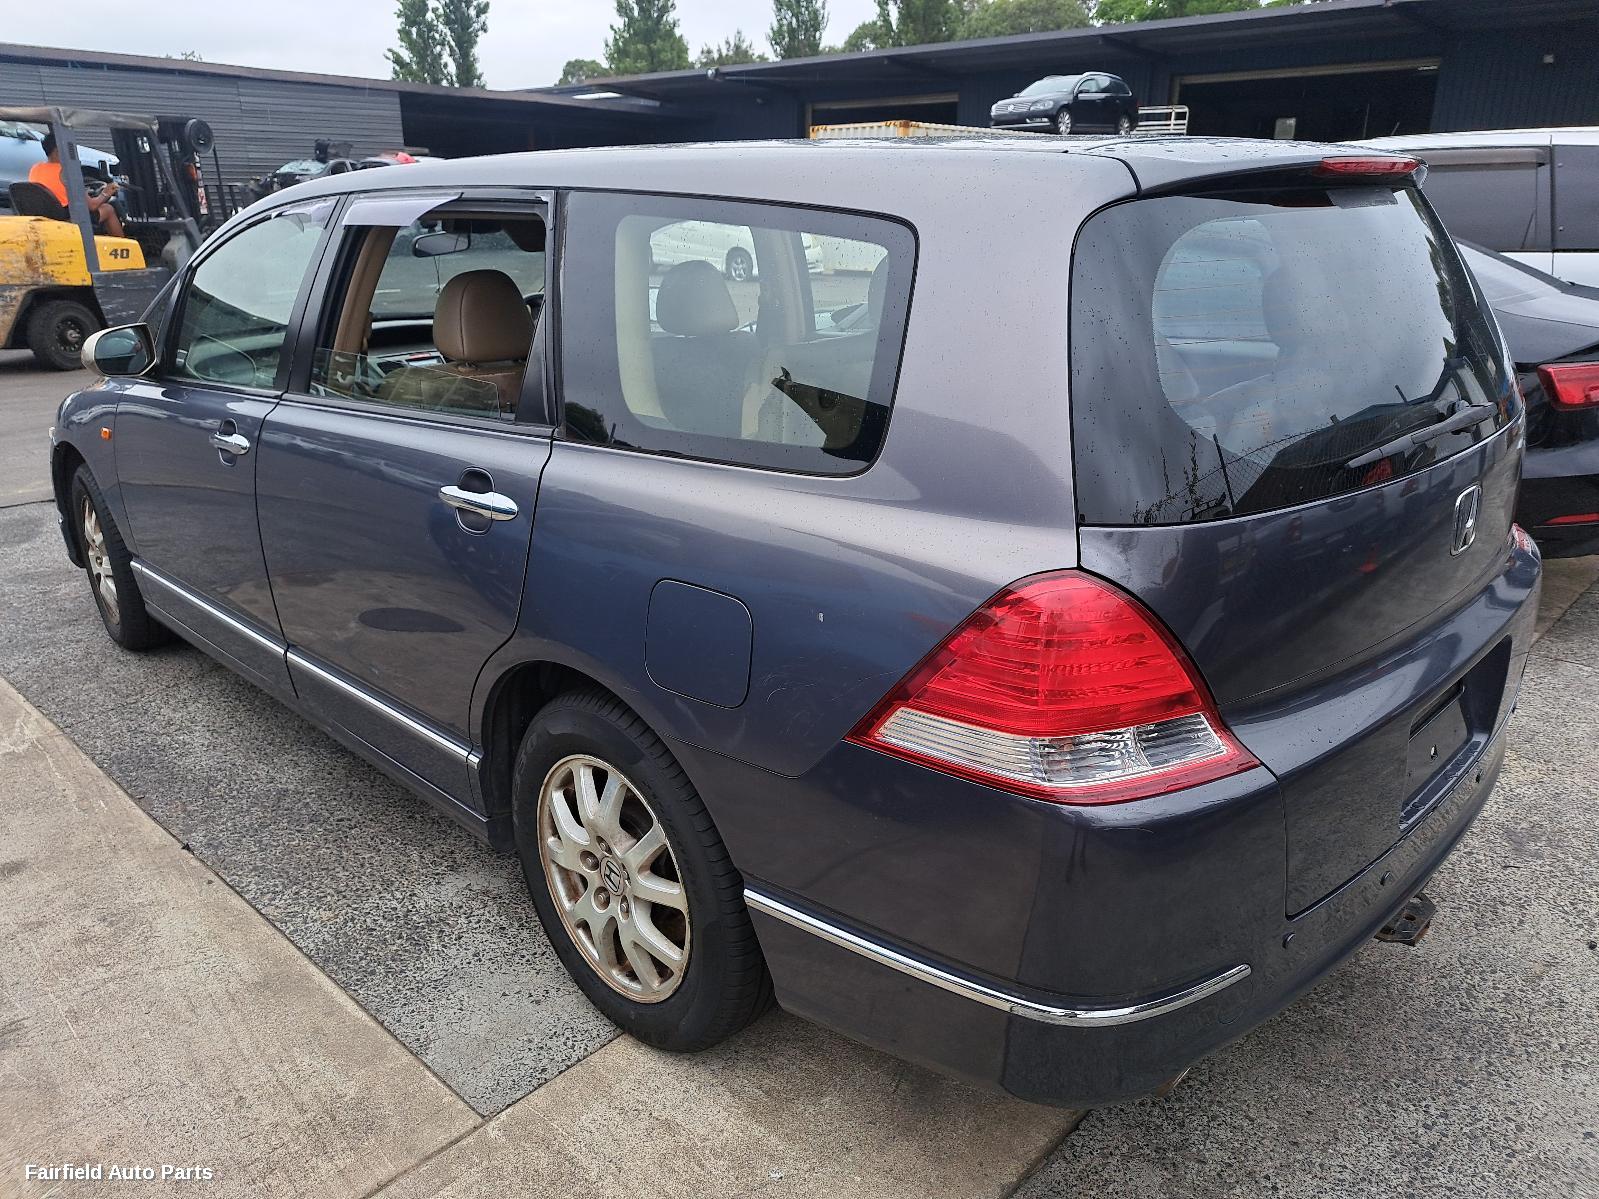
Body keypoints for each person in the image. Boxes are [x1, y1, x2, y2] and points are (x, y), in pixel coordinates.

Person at [28, 132, 124, 238]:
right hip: (66, 218)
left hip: (46, 214)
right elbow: (92, 206)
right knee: (108, 209)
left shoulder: (36, 168)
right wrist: (106, 192)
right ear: (58, 151)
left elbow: (57, 189)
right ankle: (126, 250)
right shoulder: (67, 172)